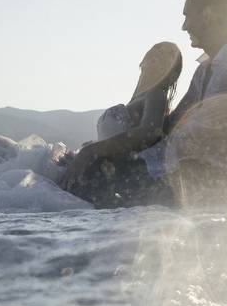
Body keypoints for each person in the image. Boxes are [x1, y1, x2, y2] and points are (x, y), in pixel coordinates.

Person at [137, 0, 227, 207]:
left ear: (208, 15)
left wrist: (134, 159)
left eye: (188, 16)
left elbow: (194, 139)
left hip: (219, 201)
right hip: (189, 188)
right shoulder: (204, 69)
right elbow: (174, 125)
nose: (184, 26)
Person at [57, 42, 183, 207]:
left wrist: (92, 151)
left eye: (164, 59)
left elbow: (150, 132)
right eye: (154, 52)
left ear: (171, 76)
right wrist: (93, 147)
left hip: (111, 174)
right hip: (99, 165)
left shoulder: (156, 95)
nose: (156, 58)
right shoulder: (138, 98)